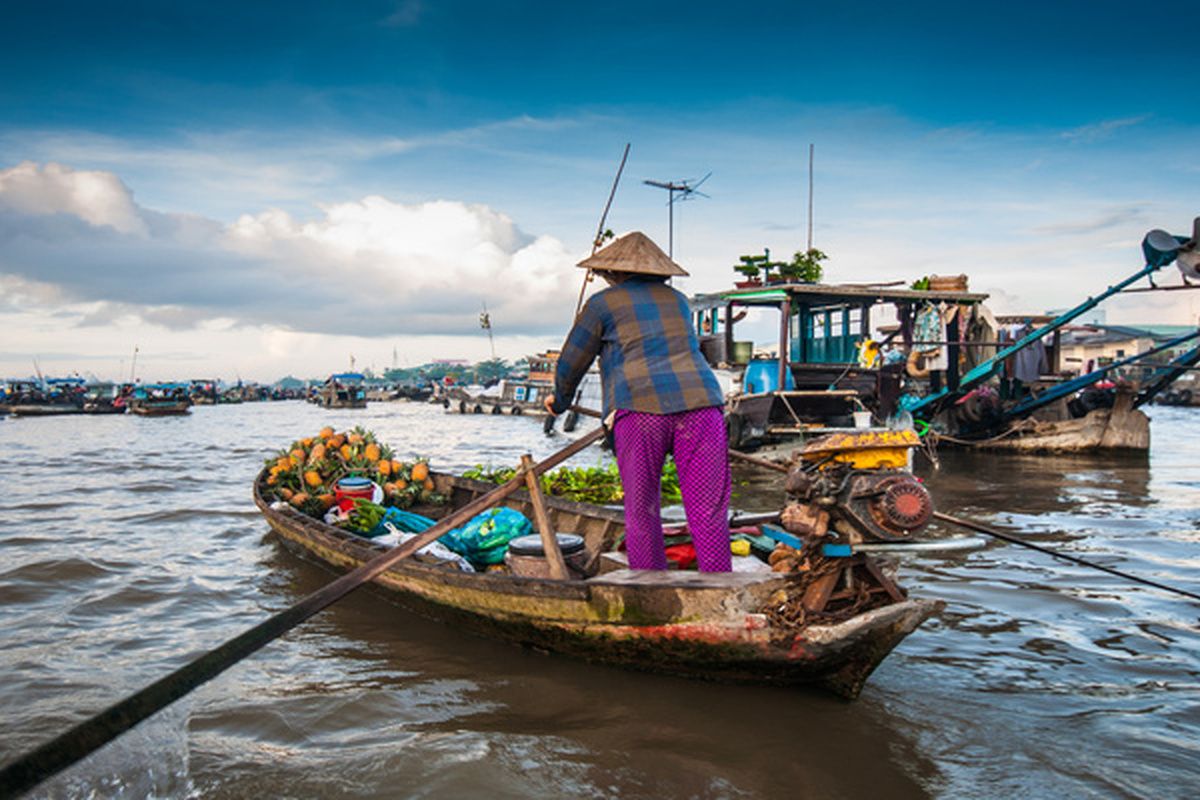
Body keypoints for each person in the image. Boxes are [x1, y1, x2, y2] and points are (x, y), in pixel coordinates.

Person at [543, 231, 732, 572]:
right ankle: (720, 587)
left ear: (613, 274)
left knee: (642, 508)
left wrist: (560, 401)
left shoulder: (602, 304)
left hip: (640, 409)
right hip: (702, 407)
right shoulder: (679, 301)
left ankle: (649, 585)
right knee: (708, 509)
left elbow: (573, 359)